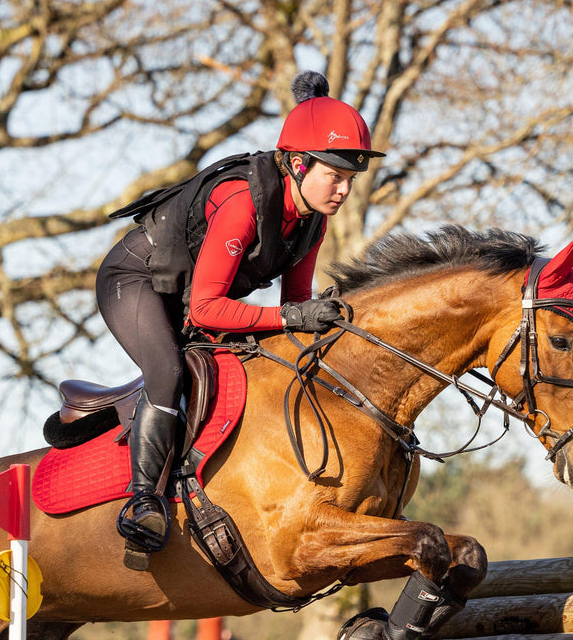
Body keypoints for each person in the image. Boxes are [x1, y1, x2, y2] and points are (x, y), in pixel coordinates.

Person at [96, 70, 383, 570]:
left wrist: (315, 326)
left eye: (349, 180)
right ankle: (143, 504)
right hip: (135, 282)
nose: (343, 191)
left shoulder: (312, 219)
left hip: (189, 297)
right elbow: (209, 309)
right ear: (297, 163)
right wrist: (293, 315)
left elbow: (296, 307)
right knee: (167, 373)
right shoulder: (242, 204)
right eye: (334, 176)